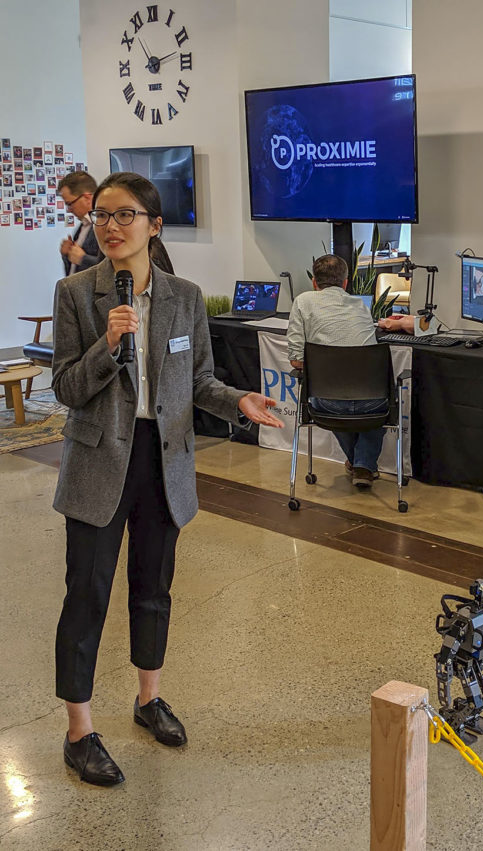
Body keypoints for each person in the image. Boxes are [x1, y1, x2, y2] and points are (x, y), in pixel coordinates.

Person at [52, 172, 282, 787]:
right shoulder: (76, 293)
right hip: (100, 462)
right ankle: (79, 731)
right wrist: (108, 343)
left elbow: (200, 381)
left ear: (154, 226)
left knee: (154, 587)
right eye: (101, 215)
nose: (109, 227)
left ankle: (148, 698)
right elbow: (68, 389)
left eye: (124, 215)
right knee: (88, 596)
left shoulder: (184, 296)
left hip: (164, 459)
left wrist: (238, 402)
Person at [287, 254, 388, 488]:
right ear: (345, 283)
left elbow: (296, 361)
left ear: (314, 282)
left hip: (327, 401)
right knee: (366, 404)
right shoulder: (361, 306)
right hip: (372, 400)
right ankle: (362, 465)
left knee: (337, 401)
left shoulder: (302, 302)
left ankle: (359, 464)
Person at [57, 171, 102, 276]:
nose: (69, 210)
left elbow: (112, 268)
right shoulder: (81, 227)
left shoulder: (104, 227)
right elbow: (73, 270)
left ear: (87, 198)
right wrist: (67, 255)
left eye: (70, 204)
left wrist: (83, 259)